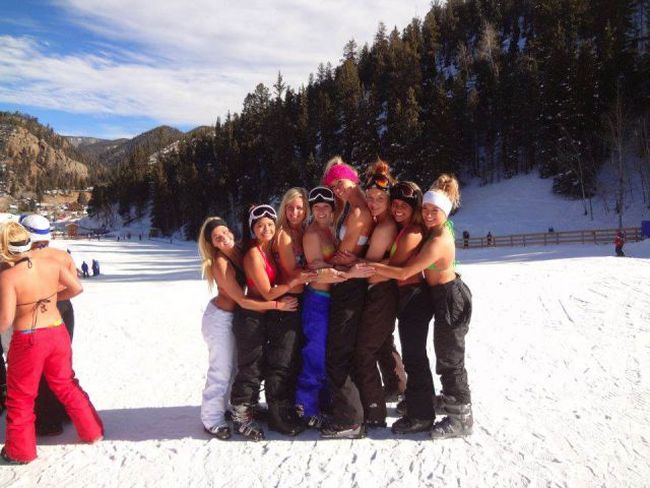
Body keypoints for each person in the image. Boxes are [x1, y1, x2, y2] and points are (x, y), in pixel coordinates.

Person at [367, 174, 474, 439]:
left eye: (433, 210)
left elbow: (404, 272)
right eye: (425, 209)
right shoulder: (434, 229)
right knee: (439, 355)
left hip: (449, 296)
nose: (427, 214)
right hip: (440, 295)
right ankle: (432, 401)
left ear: (445, 212)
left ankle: (459, 417)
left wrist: (367, 268)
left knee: (450, 359)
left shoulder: (438, 240)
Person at [0, 222, 103, 464]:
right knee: (66, 384)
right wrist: (52, 299)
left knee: (21, 396)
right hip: (57, 331)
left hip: (29, 338)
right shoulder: (51, 263)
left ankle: (20, 451)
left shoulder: (8, 276)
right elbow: (76, 288)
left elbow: (4, 319)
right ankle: (93, 431)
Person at [197, 216, 299, 440]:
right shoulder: (220, 263)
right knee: (221, 370)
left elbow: (261, 236)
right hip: (220, 319)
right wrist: (277, 305)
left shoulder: (239, 249)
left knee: (238, 366)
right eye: (217, 237)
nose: (223, 238)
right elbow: (243, 301)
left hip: (235, 316)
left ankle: (241, 408)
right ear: (211, 243)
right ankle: (211, 419)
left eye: (225, 232)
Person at [229, 205, 315, 440]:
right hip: (251, 316)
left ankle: (258, 409)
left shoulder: (270, 250)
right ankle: (241, 416)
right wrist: (294, 282)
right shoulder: (254, 254)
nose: (265, 228)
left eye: (269, 224)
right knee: (251, 366)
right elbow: (267, 292)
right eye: (259, 225)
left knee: (269, 362)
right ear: (253, 230)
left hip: (264, 315)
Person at [320, 157, 374, 439]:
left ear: (352, 179)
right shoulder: (357, 208)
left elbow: (342, 255)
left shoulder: (357, 213)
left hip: (348, 285)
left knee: (337, 353)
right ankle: (352, 410)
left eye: (339, 182)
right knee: (344, 351)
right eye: (333, 186)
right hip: (349, 283)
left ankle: (350, 420)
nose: (337, 189)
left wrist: (342, 260)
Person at [350, 160, 407, 428]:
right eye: (370, 197)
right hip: (382, 291)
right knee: (383, 342)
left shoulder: (385, 228)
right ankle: (397, 386)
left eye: (379, 198)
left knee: (364, 350)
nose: (372, 202)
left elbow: (367, 266)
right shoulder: (380, 222)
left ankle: (374, 410)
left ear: (389, 199)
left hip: (381, 293)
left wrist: (346, 260)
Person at [19, 214, 80, 436]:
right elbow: (75, 287)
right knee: (59, 363)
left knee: (38, 365)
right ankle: (63, 409)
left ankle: (47, 419)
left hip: (36, 314)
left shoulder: (18, 257)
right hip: (63, 310)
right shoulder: (60, 256)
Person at [295, 187, 346, 429]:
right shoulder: (312, 233)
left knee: (325, 353)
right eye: (316, 207)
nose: (321, 211)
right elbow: (318, 269)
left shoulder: (330, 230)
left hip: (329, 300)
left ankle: (322, 402)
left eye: (326, 207)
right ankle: (306, 407)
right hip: (317, 299)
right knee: (314, 353)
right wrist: (351, 273)